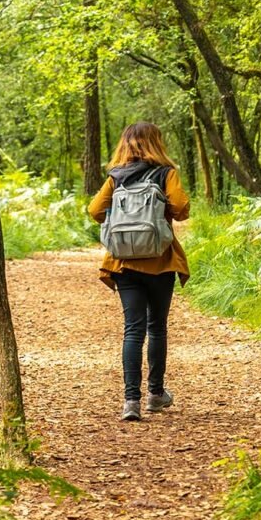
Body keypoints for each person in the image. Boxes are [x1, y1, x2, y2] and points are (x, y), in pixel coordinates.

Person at [88, 122, 190, 421]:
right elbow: (182, 208)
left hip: (124, 263)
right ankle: (155, 395)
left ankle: (130, 401)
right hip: (160, 261)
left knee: (133, 329)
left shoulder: (115, 177)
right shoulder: (165, 173)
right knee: (156, 327)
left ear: (125, 145)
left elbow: (95, 211)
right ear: (156, 143)